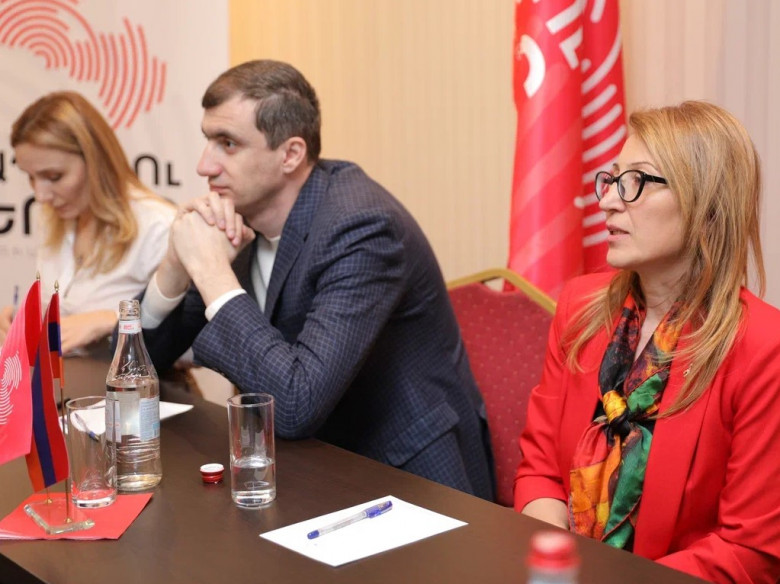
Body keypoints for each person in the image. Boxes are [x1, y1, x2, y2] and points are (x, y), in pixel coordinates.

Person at [138, 60, 494, 499]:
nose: (204, 166)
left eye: (227, 144)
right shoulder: (238, 218)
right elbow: (134, 369)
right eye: (208, 140)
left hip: (403, 480)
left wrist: (211, 273)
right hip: (307, 466)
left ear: (290, 154)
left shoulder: (362, 227)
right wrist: (175, 267)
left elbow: (295, 404)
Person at [514, 101, 780, 582]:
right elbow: (540, 470)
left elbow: (747, 553)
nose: (609, 200)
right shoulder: (579, 307)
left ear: (707, 206)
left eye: (635, 181)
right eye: (612, 179)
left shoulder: (764, 348)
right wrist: (561, 565)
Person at [0, 91, 175, 354]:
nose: (41, 195)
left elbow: (190, 345)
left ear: (96, 161)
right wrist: (23, 322)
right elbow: (61, 322)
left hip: (134, 381)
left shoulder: (158, 227)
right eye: (31, 177)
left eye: (54, 176)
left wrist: (111, 320)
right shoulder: (56, 220)